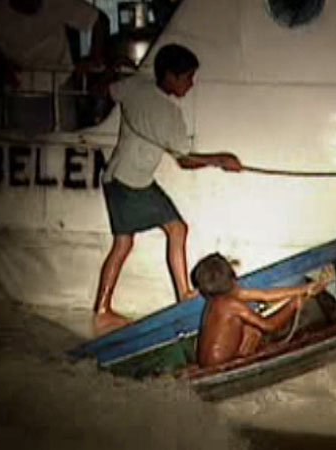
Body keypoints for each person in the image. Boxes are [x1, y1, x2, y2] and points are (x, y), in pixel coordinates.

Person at [93, 44, 243, 334]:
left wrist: (112, 67)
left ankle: (107, 308)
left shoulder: (135, 86)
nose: (191, 83)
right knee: (159, 234)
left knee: (154, 235)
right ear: (171, 76)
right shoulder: (167, 113)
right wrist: (221, 160)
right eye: (187, 77)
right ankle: (109, 309)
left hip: (123, 178)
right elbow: (185, 161)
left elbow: (103, 90)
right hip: (129, 184)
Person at [191, 253, 335, 368]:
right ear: (232, 278)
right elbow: (269, 326)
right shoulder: (231, 304)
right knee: (255, 330)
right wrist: (293, 305)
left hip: (207, 362)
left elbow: (265, 295)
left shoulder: (217, 299)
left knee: (251, 328)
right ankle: (254, 362)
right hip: (220, 366)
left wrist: (306, 288)